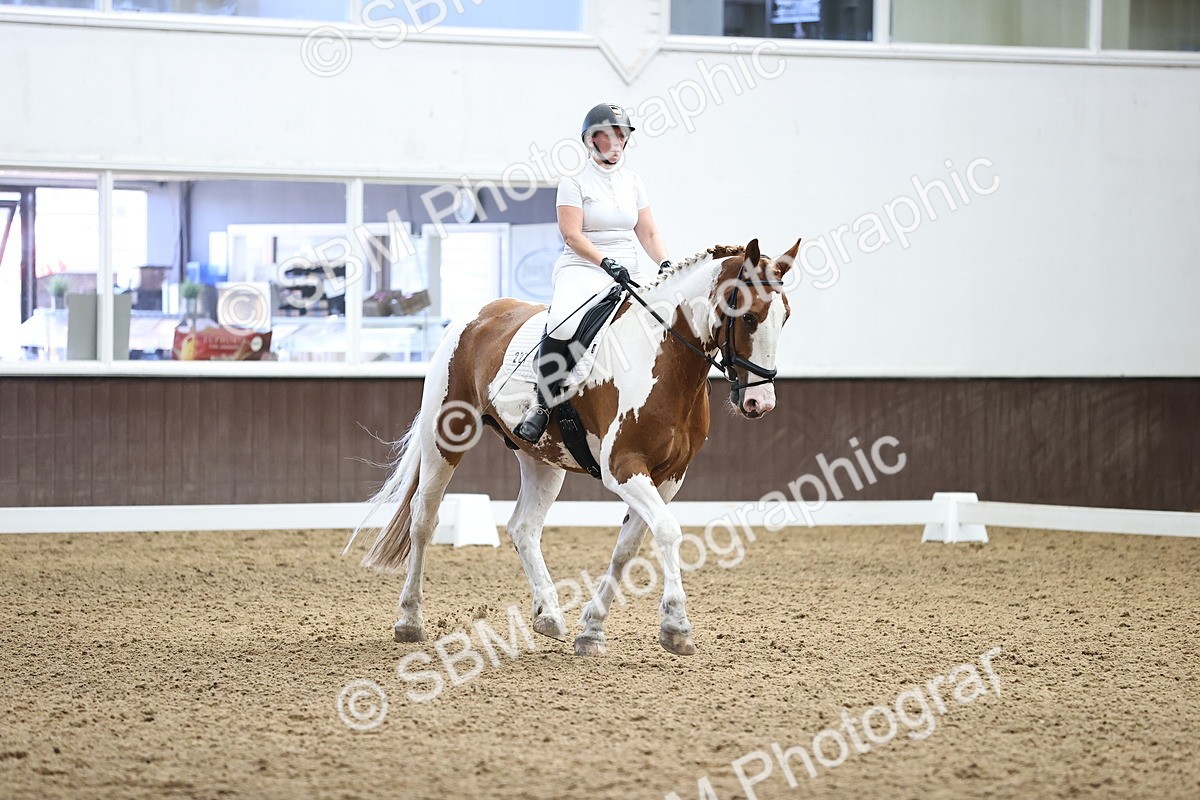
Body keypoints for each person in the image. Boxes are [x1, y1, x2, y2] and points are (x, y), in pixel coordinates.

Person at [512, 102, 672, 443]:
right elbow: (571, 235)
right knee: (564, 322)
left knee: (663, 317)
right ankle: (541, 405)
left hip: (627, 268)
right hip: (583, 267)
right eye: (606, 136)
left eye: (620, 136)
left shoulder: (633, 182)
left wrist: (664, 262)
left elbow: (648, 232)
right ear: (590, 140)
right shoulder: (573, 182)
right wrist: (605, 262)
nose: (614, 143)